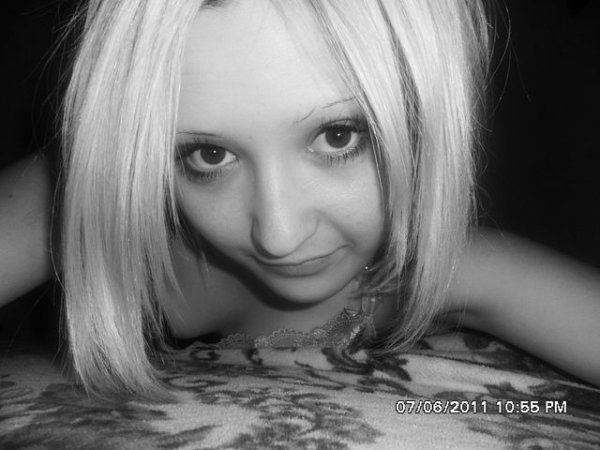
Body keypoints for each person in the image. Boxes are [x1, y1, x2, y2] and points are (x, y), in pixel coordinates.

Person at [0, 0, 599, 399]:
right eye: (208, 155)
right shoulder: (83, 191)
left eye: (338, 137)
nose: (278, 235)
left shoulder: (441, 270)